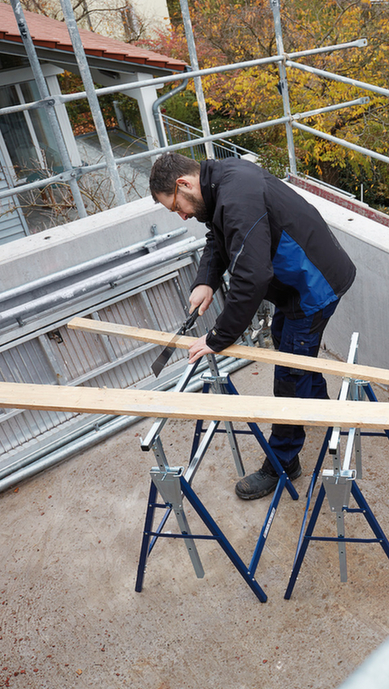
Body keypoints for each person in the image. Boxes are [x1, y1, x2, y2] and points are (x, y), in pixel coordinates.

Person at [149, 153, 356, 500]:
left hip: (315, 285)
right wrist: (206, 281)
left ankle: (283, 462)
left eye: (176, 207)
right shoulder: (218, 184)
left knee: (290, 372)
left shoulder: (237, 196)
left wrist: (218, 337)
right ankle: (325, 408)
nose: (182, 215)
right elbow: (218, 237)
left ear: (183, 184)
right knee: (287, 345)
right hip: (296, 286)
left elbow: (252, 276)